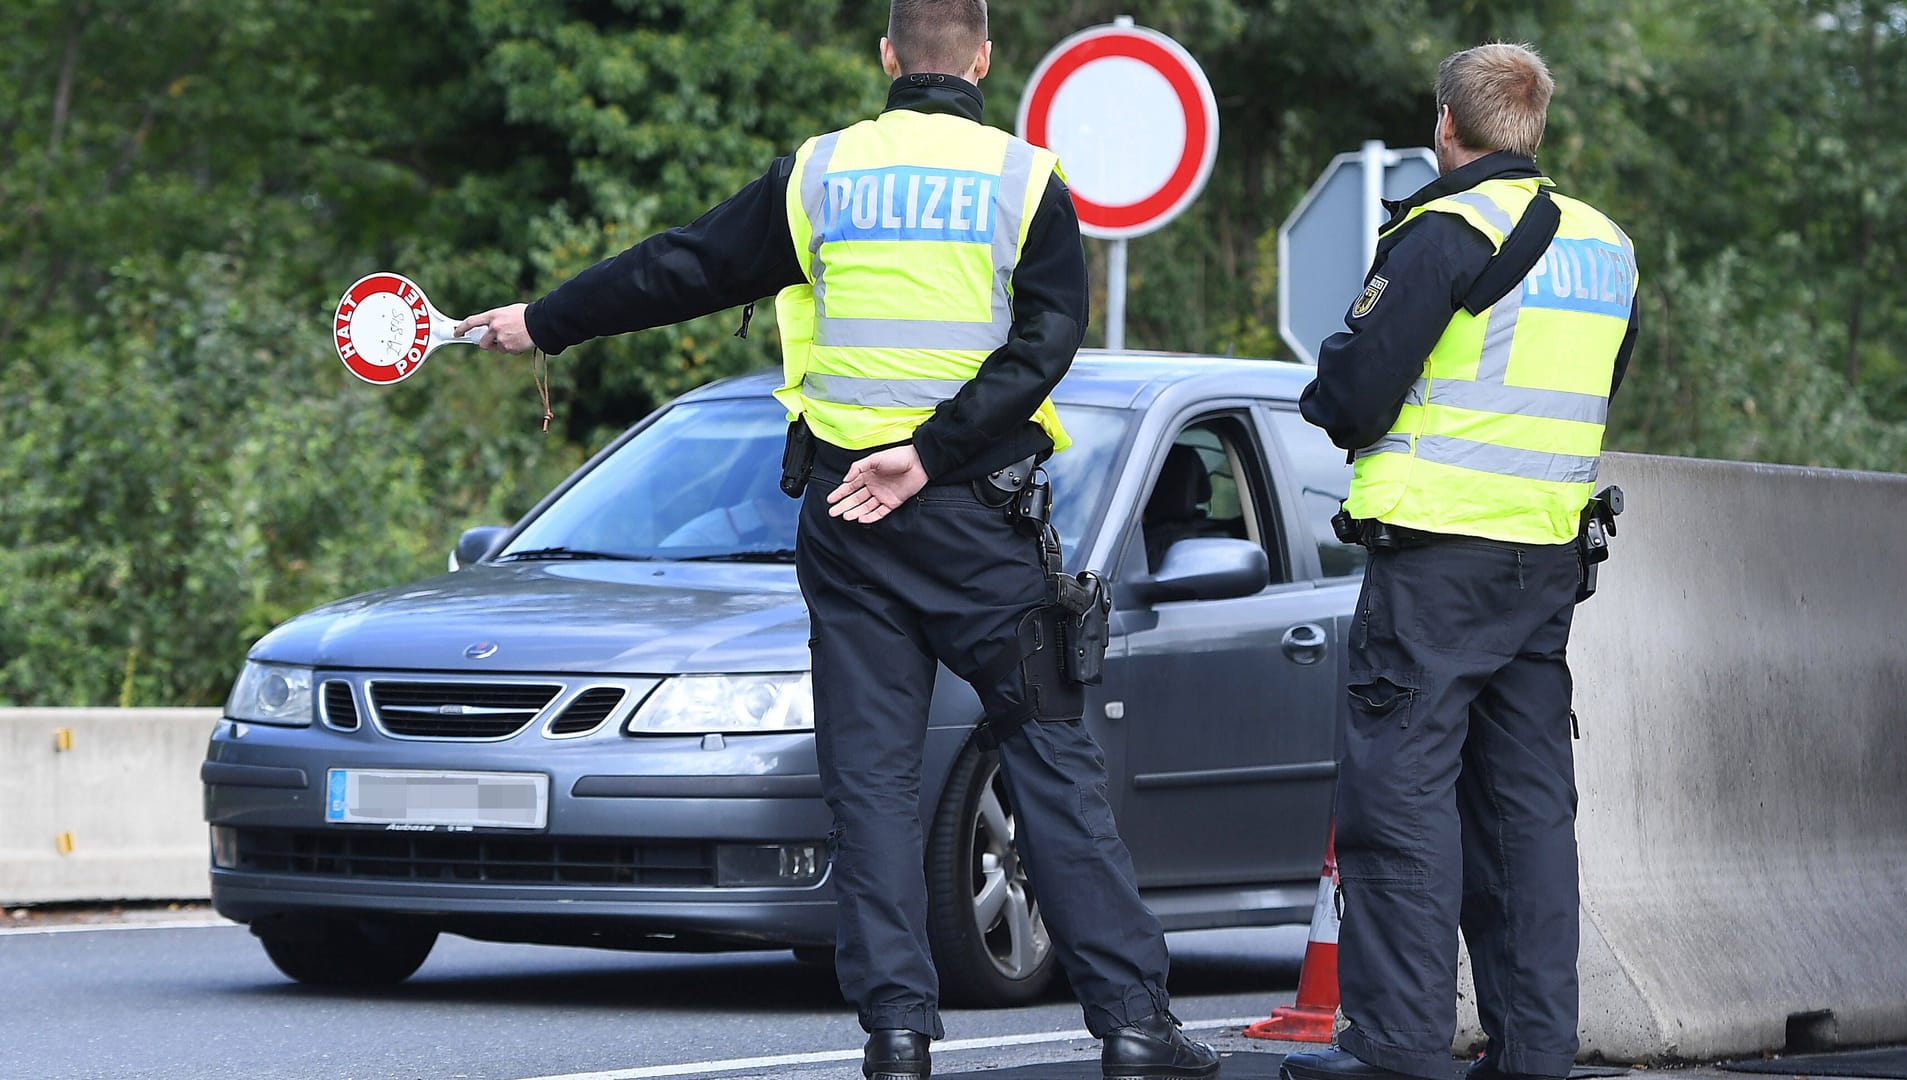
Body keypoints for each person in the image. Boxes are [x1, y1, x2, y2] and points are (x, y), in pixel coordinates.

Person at [453, 3, 1219, 1078]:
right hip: (978, 525)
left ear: (889, 58)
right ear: (986, 60)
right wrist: (936, 450)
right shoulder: (1026, 180)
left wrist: (547, 317)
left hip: (849, 520)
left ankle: (897, 1034)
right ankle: (1135, 1028)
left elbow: (680, 268)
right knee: (1050, 762)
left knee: (870, 782)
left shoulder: (816, 175)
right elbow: (1046, 346)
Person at [1281, 43, 1638, 1080]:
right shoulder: (1606, 245)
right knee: (1527, 809)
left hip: (1439, 562)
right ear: (1534, 126)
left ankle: (1397, 1047)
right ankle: (1534, 1051)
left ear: (1447, 123)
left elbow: (1354, 392)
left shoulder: (1445, 230)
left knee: (1399, 801)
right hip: (1545, 566)